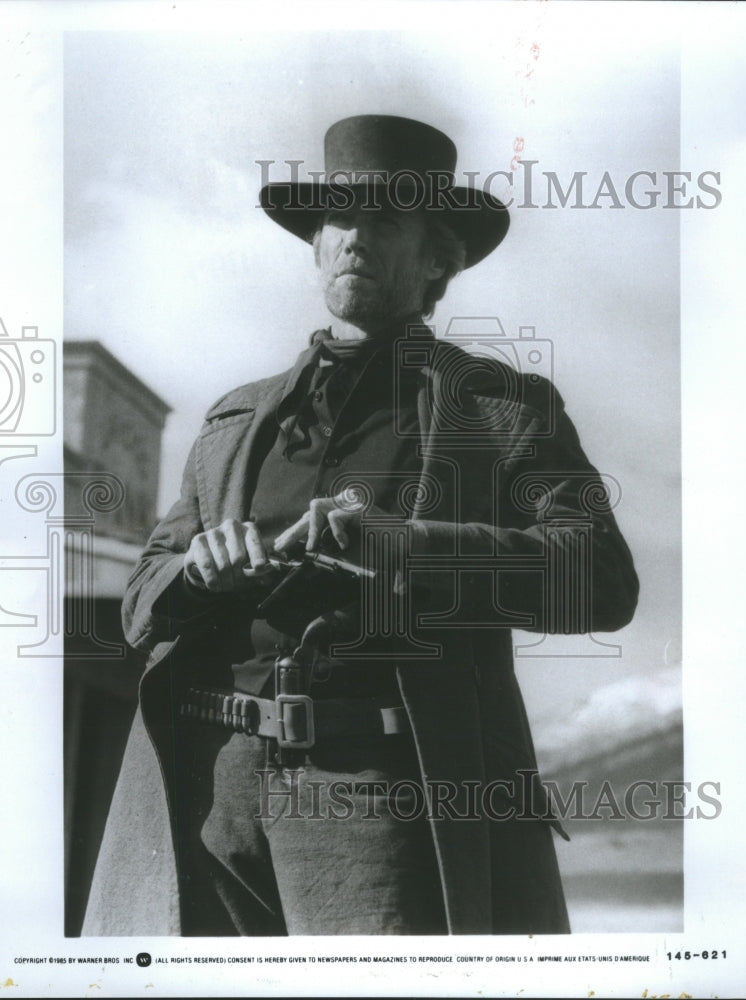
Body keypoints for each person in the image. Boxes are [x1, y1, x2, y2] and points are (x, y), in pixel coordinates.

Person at [83, 115, 639, 936]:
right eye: (338, 219)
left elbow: (598, 580)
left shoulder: (500, 409)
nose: (354, 238)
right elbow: (140, 603)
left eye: (386, 220)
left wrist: (403, 548)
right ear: (314, 247)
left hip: (376, 792)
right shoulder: (236, 419)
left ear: (438, 260)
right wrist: (198, 571)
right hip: (204, 784)